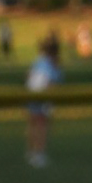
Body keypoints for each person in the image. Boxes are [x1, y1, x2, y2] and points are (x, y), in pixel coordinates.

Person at [24, 29, 62, 165]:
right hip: (41, 96)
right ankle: (38, 154)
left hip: (30, 94)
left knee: (33, 124)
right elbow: (50, 83)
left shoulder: (39, 61)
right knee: (42, 125)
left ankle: (31, 152)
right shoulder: (51, 65)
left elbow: (28, 76)